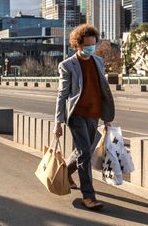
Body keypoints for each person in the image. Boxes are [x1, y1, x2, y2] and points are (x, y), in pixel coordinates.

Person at [53, 24, 115, 211]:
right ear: (77, 45)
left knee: (83, 151)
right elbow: (62, 95)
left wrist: (107, 117)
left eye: (93, 44)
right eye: (87, 45)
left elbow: (102, 90)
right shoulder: (67, 65)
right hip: (77, 115)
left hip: (94, 113)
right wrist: (58, 122)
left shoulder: (98, 61)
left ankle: (64, 174)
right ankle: (88, 196)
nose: (91, 48)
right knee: (85, 155)